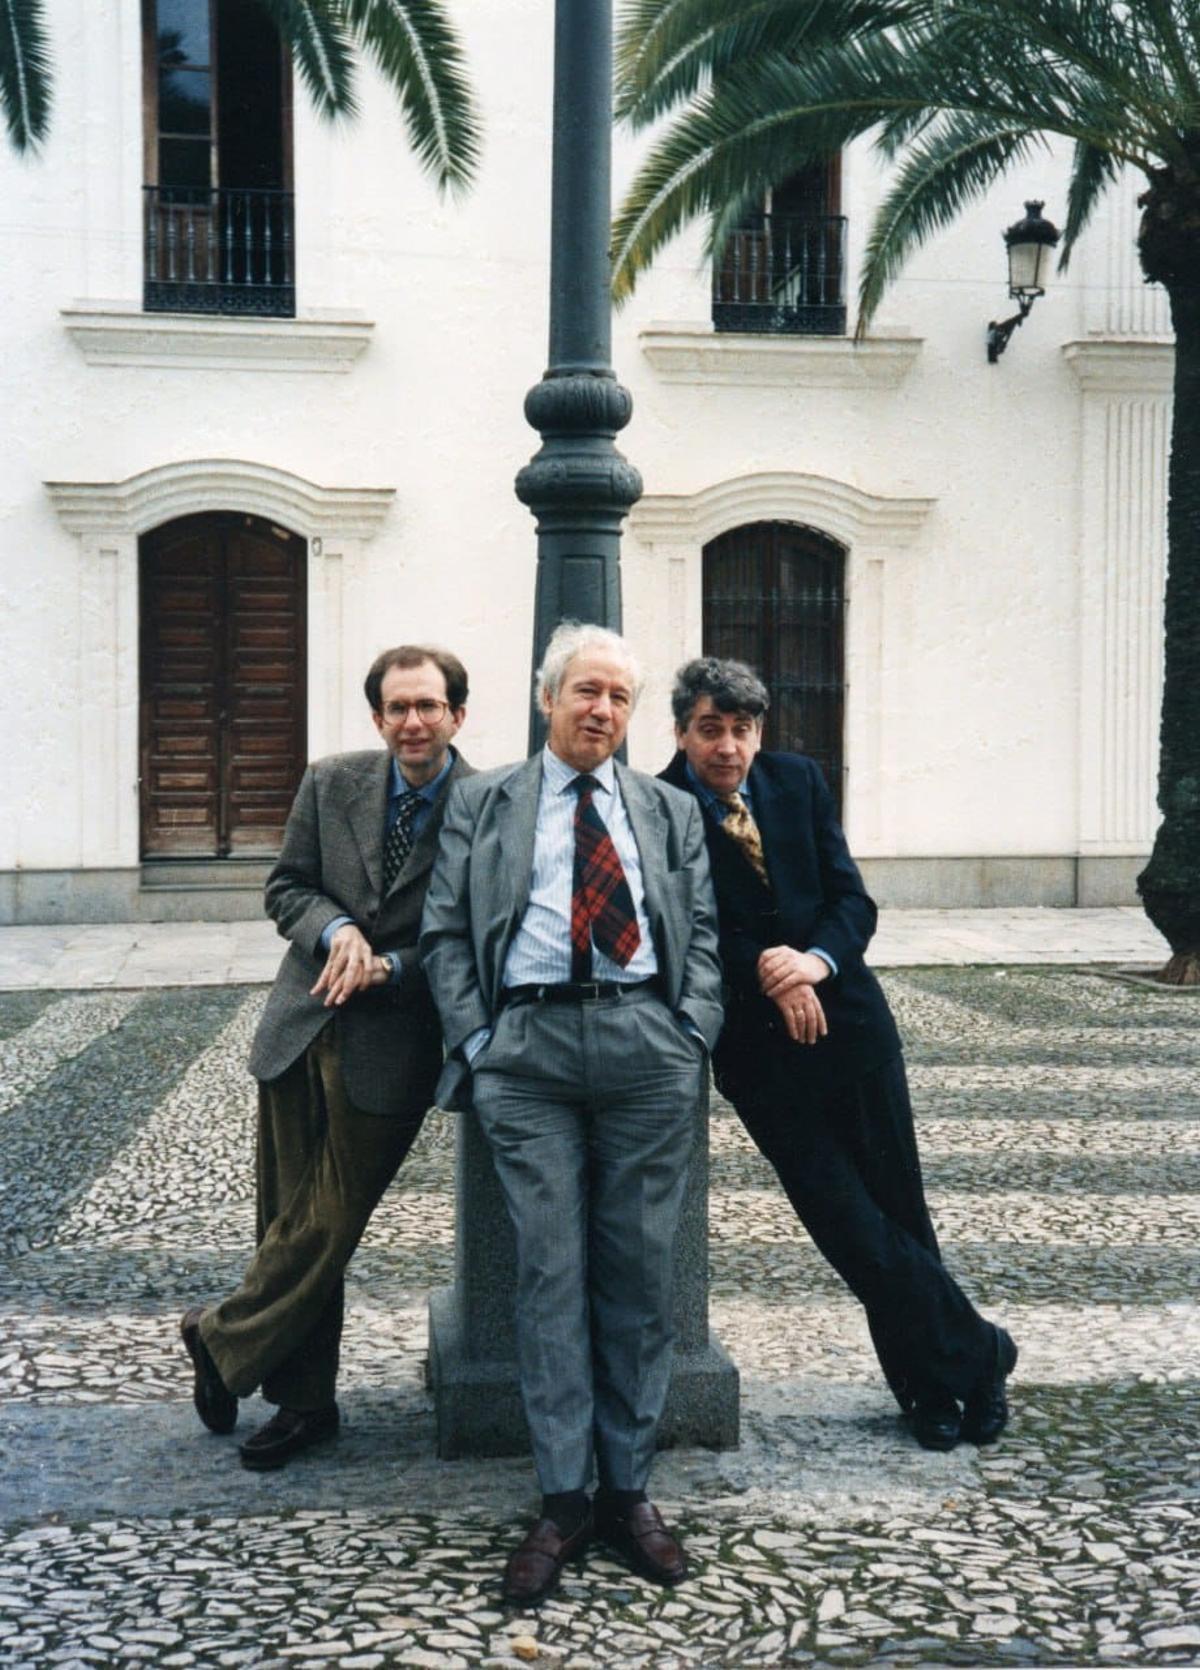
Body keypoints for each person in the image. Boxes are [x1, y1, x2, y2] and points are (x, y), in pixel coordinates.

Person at [420, 622, 723, 1606]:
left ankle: (629, 1489)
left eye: (619, 698)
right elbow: (445, 933)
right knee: (549, 1271)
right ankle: (562, 1496)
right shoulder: (484, 802)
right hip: (529, 1055)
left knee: (640, 1270)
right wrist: (478, 1042)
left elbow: (704, 929)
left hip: (646, 1049)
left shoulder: (668, 808)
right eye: (586, 691)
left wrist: (693, 1030)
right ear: (548, 698)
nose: (601, 709)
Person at [661, 656, 1017, 1453]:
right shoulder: (660, 808)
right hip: (758, 1057)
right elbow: (687, 929)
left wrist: (814, 961)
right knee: (847, 1225)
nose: (728, 747)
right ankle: (980, 1350)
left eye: (742, 730)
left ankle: (933, 1390)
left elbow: (851, 898)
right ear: (682, 731)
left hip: (853, 1031)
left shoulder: (798, 782)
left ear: (761, 733)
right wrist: (768, 967)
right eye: (710, 729)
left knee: (899, 1214)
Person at [180, 645, 474, 1470]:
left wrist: (393, 965)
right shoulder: (331, 781)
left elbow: (471, 935)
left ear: (458, 713)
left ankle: (217, 1336)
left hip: (393, 1041)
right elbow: (286, 888)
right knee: (286, 1218)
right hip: (300, 1025)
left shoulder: (486, 806)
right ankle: (303, 1404)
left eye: (428, 706)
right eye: (396, 708)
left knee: (330, 1222)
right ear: (378, 717)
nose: (412, 722)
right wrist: (336, 930)